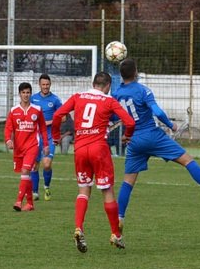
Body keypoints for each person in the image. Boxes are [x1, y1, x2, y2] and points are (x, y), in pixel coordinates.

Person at [113, 59, 200, 233]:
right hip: (151, 135)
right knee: (187, 160)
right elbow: (157, 112)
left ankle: (119, 219)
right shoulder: (142, 90)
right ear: (135, 72)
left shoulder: (117, 94)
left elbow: (113, 117)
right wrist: (171, 125)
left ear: (121, 75)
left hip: (134, 140)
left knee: (128, 182)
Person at [51, 72, 136, 253]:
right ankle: (115, 234)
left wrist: (55, 136)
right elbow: (130, 122)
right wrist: (127, 136)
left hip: (80, 149)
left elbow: (58, 114)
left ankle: (79, 227)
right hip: (99, 149)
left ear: (93, 83)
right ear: (108, 86)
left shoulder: (78, 97)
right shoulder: (109, 101)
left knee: (83, 190)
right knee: (107, 191)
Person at [4, 82, 49, 212]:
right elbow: (8, 128)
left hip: (32, 146)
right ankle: (30, 204)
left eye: (28, 92)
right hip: (19, 148)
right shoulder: (14, 111)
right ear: (19, 94)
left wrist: (45, 144)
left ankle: (19, 201)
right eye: (23, 92)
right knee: (26, 175)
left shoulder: (37, 110)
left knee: (25, 171)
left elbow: (43, 130)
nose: (26, 95)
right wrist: (8, 140)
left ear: (30, 93)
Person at [30, 74, 63, 201]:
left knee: (47, 164)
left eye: (47, 84)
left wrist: (48, 122)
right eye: (43, 85)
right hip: (36, 137)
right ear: (39, 85)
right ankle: (35, 192)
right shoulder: (33, 99)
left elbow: (63, 117)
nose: (45, 87)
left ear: (50, 85)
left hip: (49, 137)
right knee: (34, 165)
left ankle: (47, 187)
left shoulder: (55, 100)